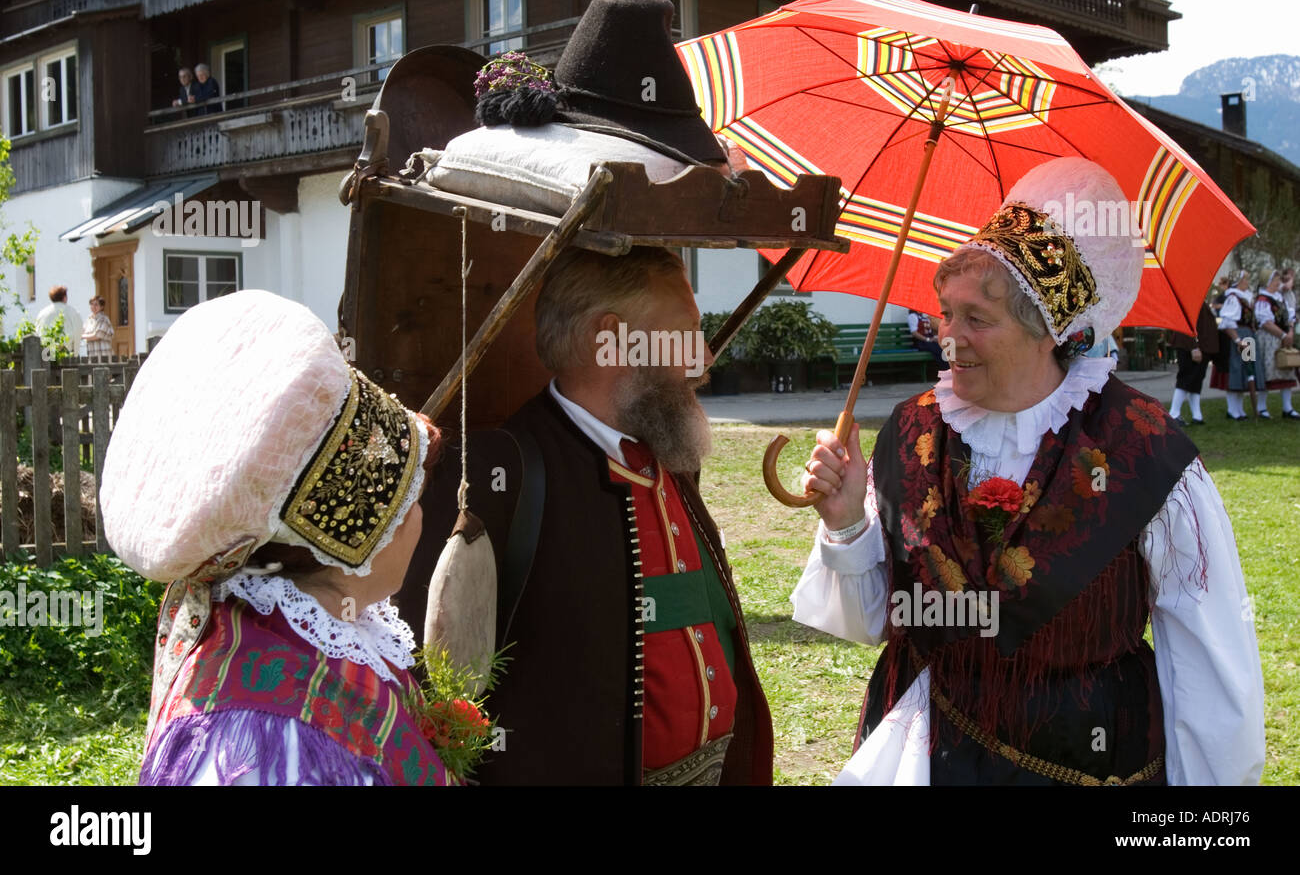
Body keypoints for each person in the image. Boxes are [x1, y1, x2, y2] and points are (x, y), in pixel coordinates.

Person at [791, 157, 1265, 785]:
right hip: (926, 758)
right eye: (945, 312)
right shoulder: (911, 432)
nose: (949, 339)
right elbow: (866, 623)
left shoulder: (1142, 449)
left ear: (1052, 333)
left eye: (977, 319)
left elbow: (1209, 659)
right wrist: (849, 521)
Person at [401, 250, 773, 786]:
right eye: (688, 333)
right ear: (612, 337)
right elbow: (429, 676)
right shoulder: (498, 472)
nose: (704, 357)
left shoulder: (667, 454)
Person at [101, 290, 451, 786]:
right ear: (359, 535)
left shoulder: (304, 630)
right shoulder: (266, 744)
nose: (420, 517)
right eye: (410, 498)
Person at [1211, 269, 1259, 421]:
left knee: (1247, 371)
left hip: (1248, 336)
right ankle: (1232, 410)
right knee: (1235, 371)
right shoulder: (1233, 298)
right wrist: (1238, 341)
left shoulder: (1245, 298)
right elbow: (1226, 323)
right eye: (1245, 280)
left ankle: (1240, 409)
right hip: (1236, 338)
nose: (1247, 283)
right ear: (1238, 282)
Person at [1253, 268, 1298, 419]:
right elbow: (1265, 322)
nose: (1278, 283)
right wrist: (1283, 334)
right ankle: (1262, 406)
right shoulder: (1263, 299)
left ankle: (1287, 408)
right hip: (1269, 339)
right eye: (1275, 280)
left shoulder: (1280, 297)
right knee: (1267, 372)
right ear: (1268, 282)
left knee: (1287, 369)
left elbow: (1290, 315)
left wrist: (1290, 331)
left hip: (1284, 339)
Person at [1168, 300, 1218, 425]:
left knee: (1196, 381)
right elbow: (1184, 323)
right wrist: (1193, 346)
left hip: (1200, 346)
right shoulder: (1189, 300)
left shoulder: (1199, 299)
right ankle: (1174, 414)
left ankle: (1197, 415)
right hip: (1191, 346)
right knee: (1186, 378)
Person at [34, 284, 83, 356]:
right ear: (64, 297)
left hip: (46, 352)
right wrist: (76, 352)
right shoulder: (72, 312)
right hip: (66, 353)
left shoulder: (42, 313)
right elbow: (78, 331)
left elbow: (37, 332)